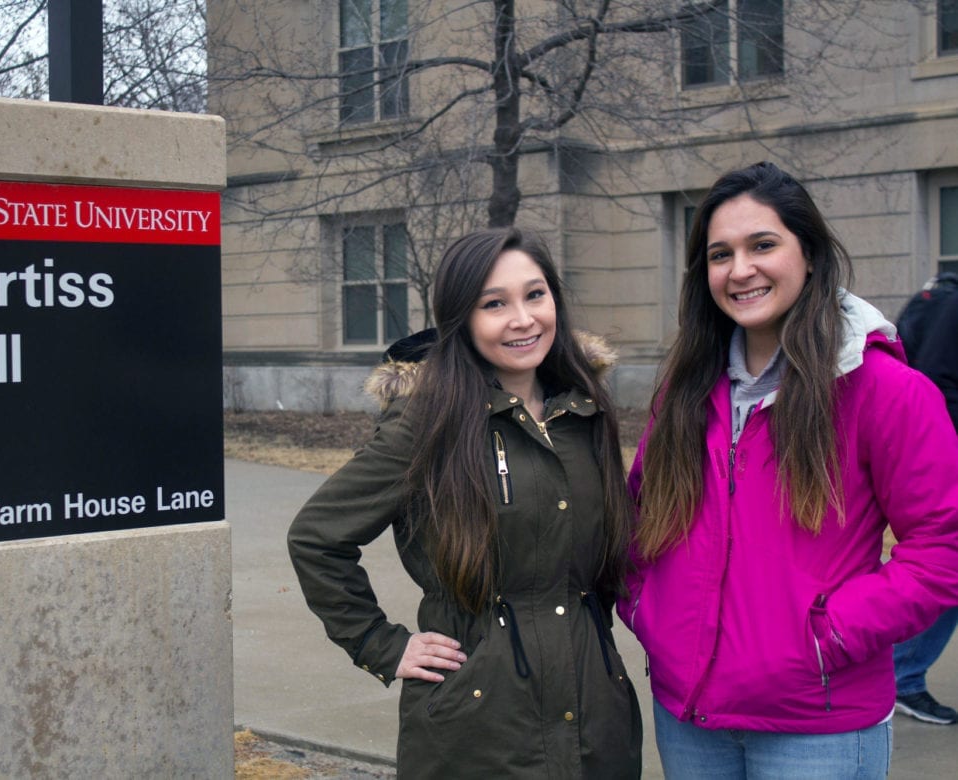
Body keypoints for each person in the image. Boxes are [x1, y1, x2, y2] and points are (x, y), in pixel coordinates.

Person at [617, 161, 958, 778]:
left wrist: (830, 637)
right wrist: (649, 611)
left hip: (817, 726)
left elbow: (942, 547)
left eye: (763, 245)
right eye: (720, 254)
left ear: (810, 252)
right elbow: (642, 516)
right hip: (689, 718)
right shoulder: (686, 389)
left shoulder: (886, 390)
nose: (740, 269)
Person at [287, 227, 642, 777]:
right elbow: (317, 537)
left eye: (535, 294)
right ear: (462, 319)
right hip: (478, 726)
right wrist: (380, 644)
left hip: (595, 712)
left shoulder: (585, 412)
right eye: (494, 304)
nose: (522, 319)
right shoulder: (428, 420)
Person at [892, 279, 958, 725]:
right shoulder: (952, 308)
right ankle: (903, 677)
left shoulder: (940, 299)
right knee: (947, 570)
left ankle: (902, 673)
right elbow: (936, 383)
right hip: (943, 459)